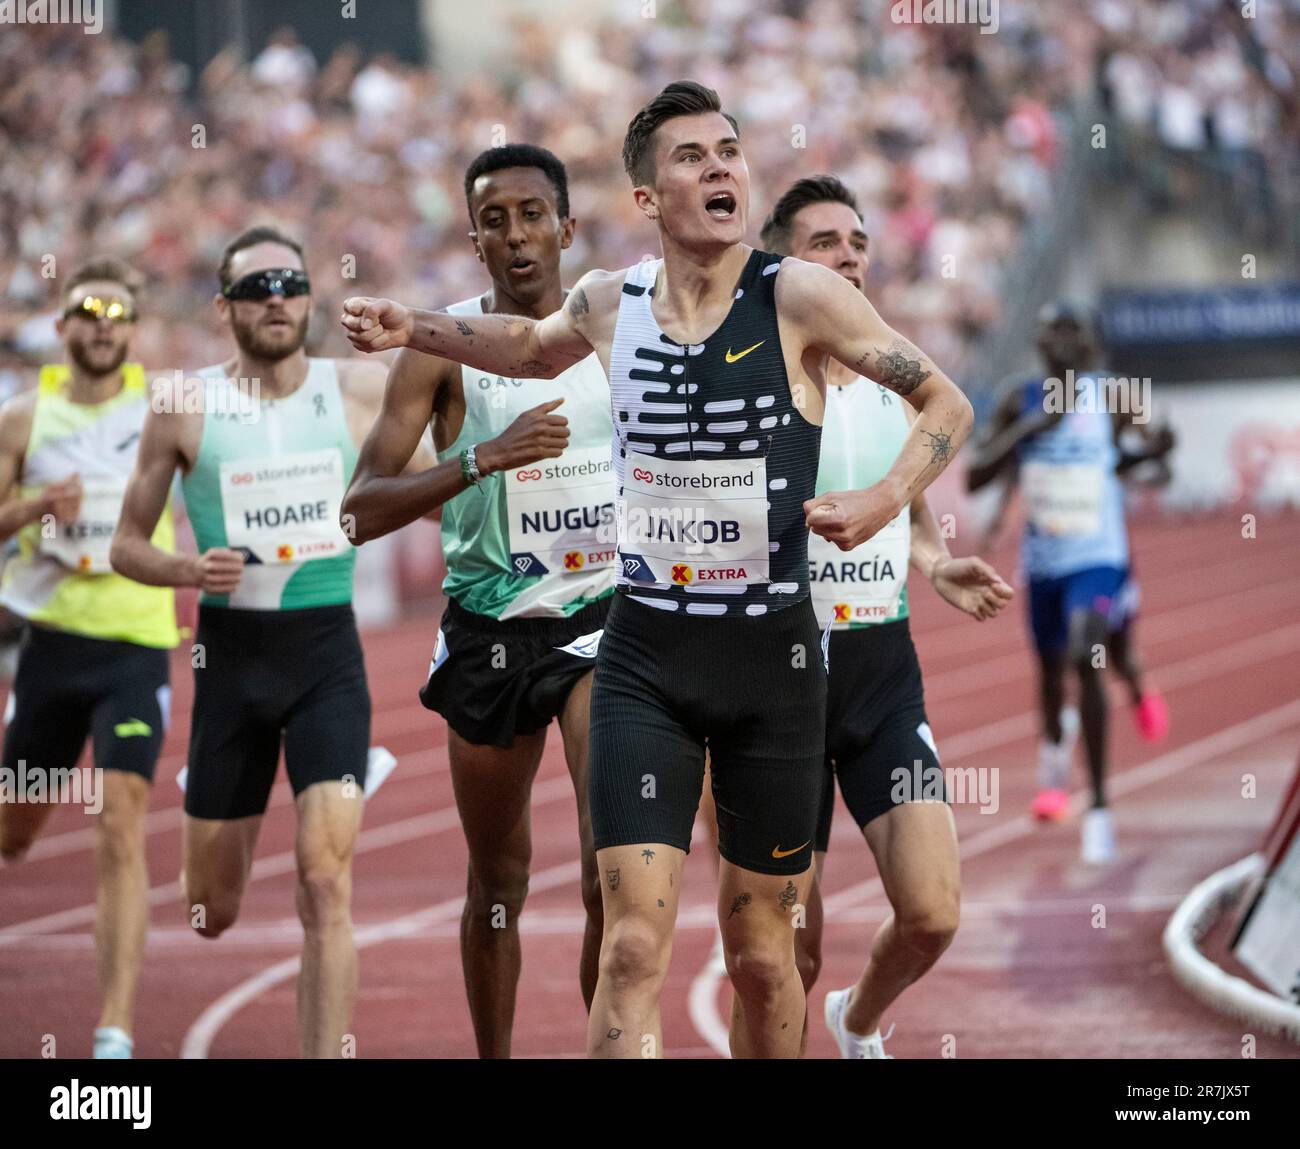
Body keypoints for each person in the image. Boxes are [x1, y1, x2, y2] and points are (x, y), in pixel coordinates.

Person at [341, 80, 973, 1059]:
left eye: (728, 150)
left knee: (763, 953)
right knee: (633, 943)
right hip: (645, 655)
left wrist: (884, 501)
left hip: (772, 662)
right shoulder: (609, 301)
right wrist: (411, 326)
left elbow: (945, 404)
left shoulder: (800, 294)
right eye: (691, 156)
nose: (719, 165)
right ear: (646, 199)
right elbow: (522, 346)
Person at [112, 226, 430, 1057]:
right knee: (209, 908)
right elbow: (125, 546)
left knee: (326, 882)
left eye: (290, 282)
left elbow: (437, 489)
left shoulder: (358, 388)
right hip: (230, 666)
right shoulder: (181, 404)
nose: (278, 299)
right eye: (257, 288)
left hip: (329, 659)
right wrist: (186, 566)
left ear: (310, 296)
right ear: (225, 308)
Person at [340, 145, 614, 1058]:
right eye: (495, 220)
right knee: (499, 877)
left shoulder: (618, 333)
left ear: (568, 228)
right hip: (492, 633)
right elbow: (358, 511)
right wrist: (476, 460)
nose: (517, 234)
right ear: (474, 241)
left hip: (602, 626)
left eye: (534, 213)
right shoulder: (439, 350)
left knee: (608, 874)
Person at [753, 175, 1012, 1059]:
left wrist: (936, 564)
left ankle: (856, 1022)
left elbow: (911, 506)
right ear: (782, 261)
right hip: (776, 682)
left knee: (933, 913)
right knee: (794, 945)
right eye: (826, 242)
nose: (850, 256)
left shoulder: (894, 376)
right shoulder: (754, 377)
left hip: (879, 677)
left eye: (858, 241)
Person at [0, 258, 179, 1060]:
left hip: (136, 646)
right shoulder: (22, 419)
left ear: (132, 330)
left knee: (120, 821)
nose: (105, 324)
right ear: (63, 325)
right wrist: (36, 506)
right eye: (89, 310)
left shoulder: (162, 409)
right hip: (49, 650)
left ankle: (114, 1028)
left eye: (119, 312)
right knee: (15, 830)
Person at [967, 302, 1174, 863]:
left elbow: (1153, 460)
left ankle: (1101, 804)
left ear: (1089, 344)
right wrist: (1034, 429)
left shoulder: (1114, 396)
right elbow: (975, 473)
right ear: (1037, 341)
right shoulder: (1019, 397)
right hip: (1044, 563)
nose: (1059, 340)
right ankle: (1054, 776)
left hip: (1100, 556)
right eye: (1050, 329)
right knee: (1051, 672)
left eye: (1070, 330)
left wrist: (1158, 450)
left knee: (1094, 652)